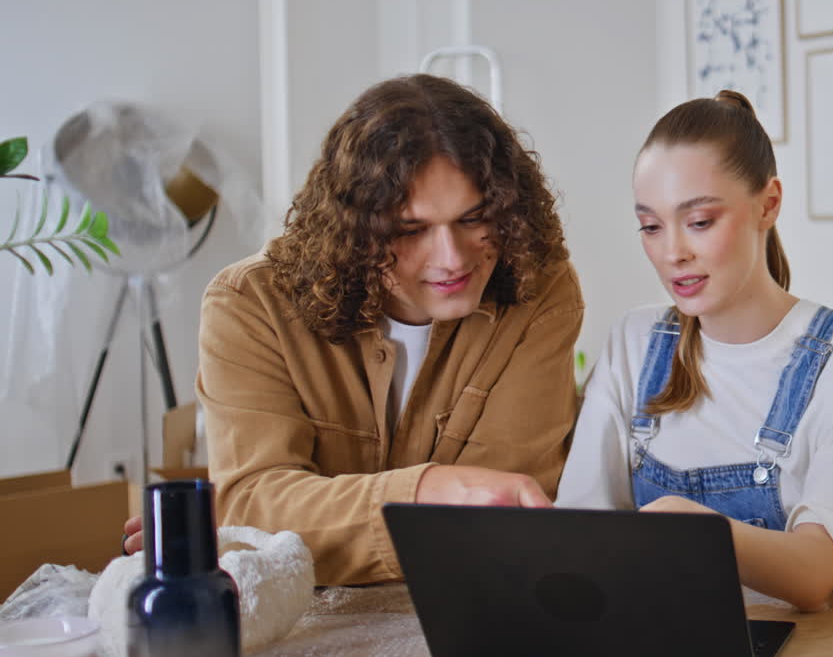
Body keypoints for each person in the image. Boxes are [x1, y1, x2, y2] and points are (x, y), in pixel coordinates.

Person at [123, 74, 584, 586]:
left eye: (474, 217)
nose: (452, 259)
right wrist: (431, 490)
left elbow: (499, 516)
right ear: (355, 229)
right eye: (411, 230)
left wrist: (283, 523)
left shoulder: (538, 288)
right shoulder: (250, 305)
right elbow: (252, 502)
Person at [555, 91, 833, 611]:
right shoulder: (634, 342)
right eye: (651, 227)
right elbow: (577, 534)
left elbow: (814, 576)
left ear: (768, 204)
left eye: (699, 222)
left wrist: (693, 526)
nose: (673, 252)